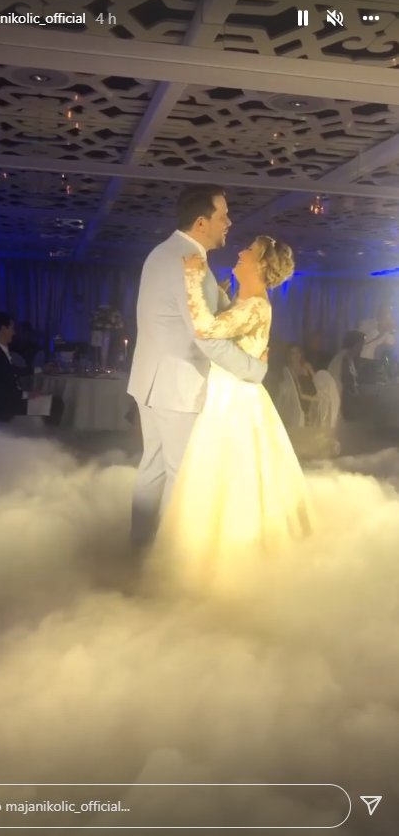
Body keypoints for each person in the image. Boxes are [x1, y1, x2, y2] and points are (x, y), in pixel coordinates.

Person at [153, 236, 312, 597]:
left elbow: (206, 329)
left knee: (227, 474)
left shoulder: (255, 306)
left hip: (234, 400)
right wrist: (222, 296)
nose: (240, 252)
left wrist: (193, 278)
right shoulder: (248, 303)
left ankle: (227, 562)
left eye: (249, 251)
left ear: (261, 265)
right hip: (232, 392)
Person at [128, 185, 267, 548]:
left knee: (154, 468)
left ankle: (139, 549)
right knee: (182, 476)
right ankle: (169, 562)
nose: (229, 223)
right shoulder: (192, 264)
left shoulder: (161, 252)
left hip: (149, 380)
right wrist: (254, 369)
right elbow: (207, 338)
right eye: (224, 216)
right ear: (202, 222)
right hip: (177, 386)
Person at [0, 312, 63, 424]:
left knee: (50, 400)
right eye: (12, 328)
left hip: (6, 402)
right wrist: (27, 394)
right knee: (56, 403)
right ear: (3, 329)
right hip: (6, 407)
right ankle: (48, 434)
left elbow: (11, 371)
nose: (14, 333)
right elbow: (1, 390)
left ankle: (43, 431)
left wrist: (41, 369)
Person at [285, 344, 319, 425]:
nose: (296, 355)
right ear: (289, 356)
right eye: (293, 353)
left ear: (301, 354)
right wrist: (314, 399)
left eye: (298, 352)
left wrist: (319, 395)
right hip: (303, 401)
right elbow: (299, 394)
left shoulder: (307, 366)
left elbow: (317, 381)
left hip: (314, 395)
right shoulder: (290, 371)